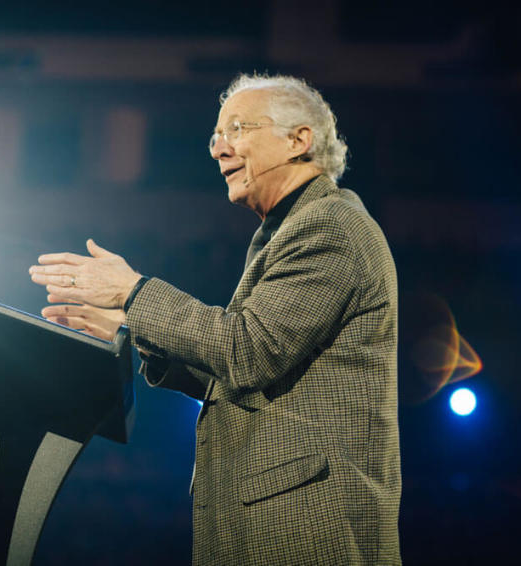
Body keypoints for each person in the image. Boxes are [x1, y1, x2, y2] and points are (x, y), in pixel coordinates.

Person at [29, 73, 401, 565]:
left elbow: (248, 352)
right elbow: (238, 374)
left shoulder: (329, 226)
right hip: (265, 528)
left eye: (237, 129)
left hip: (309, 531)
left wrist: (134, 291)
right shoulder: (292, 230)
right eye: (215, 136)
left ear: (299, 140)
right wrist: (130, 323)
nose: (218, 150)